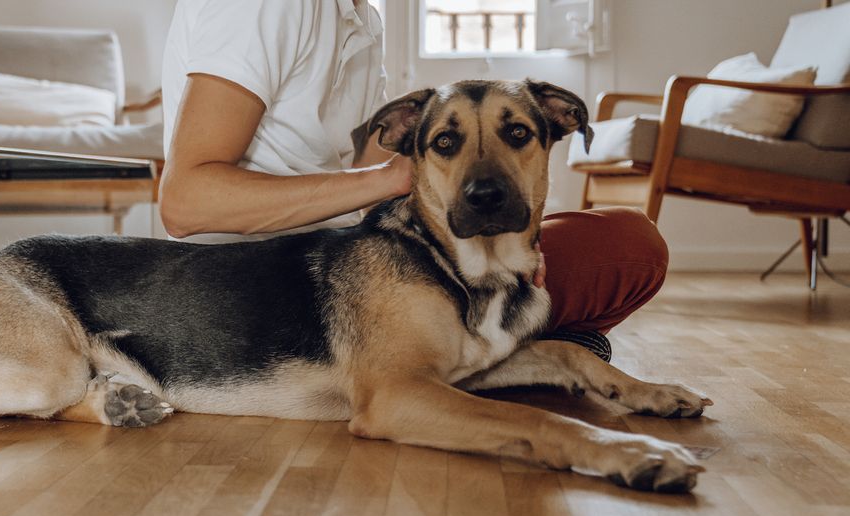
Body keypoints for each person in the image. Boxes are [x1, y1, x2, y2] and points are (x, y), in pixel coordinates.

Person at [159, 0, 667, 359]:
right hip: (265, 282)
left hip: (345, 255)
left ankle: (493, 350)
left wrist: (519, 242)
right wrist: (394, 177)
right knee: (627, 250)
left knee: (624, 236)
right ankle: (504, 355)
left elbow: (366, 180)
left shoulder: (361, 17)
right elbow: (186, 203)